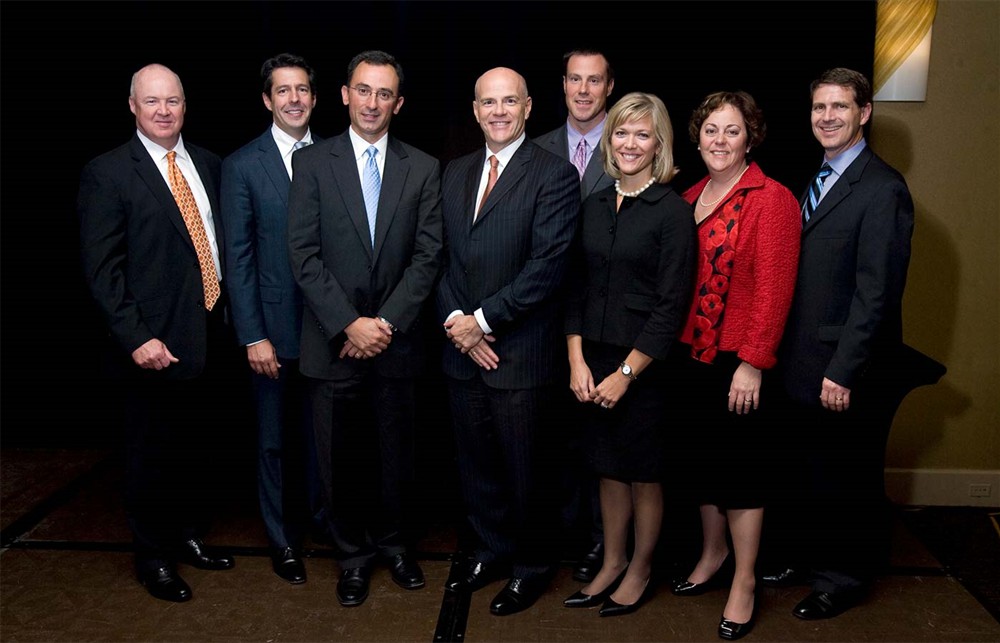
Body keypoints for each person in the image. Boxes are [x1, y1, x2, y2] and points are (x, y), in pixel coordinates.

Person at [287, 50, 443, 608]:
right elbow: (302, 255)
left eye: (384, 94)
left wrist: (385, 324)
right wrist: (349, 324)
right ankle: (352, 558)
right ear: (345, 95)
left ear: (397, 103)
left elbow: (428, 257)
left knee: (397, 454)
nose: (372, 102)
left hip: (396, 344)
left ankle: (395, 547)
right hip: (333, 344)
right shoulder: (311, 164)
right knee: (340, 459)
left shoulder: (423, 167)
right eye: (363, 90)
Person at [78, 63, 237, 602]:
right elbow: (103, 270)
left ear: (185, 106)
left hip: (210, 331)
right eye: (152, 102)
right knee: (150, 453)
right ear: (132, 107)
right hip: (152, 343)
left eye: (172, 101)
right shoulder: (108, 172)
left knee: (196, 447)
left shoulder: (212, 165)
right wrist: (135, 337)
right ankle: (153, 558)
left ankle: (188, 536)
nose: (164, 110)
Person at [766, 67, 915, 620]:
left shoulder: (882, 188)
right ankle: (805, 560)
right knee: (807, 470)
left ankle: (842, 579)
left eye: (840, 107)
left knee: (843, 476)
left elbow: (877, 293)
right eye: (819, 108)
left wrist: (846, 368)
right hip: (798, 360)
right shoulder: (818, 177)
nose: (827, 117)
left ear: (864, 113)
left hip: (838, 365)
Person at [437, 67, 580, 616]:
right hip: (463, 351)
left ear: (527, 108)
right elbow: (440, 258)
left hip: (520, 354)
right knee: (477, 467)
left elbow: (547, 269)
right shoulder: (454, 172)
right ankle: (492, 550)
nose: (498, 111)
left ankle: (530, 566)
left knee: (528, 472)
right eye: (488, 102)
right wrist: (460, 324)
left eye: (509, 102)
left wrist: (483, 321)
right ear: (475, 110)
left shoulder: (554, 174)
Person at [667, 91, 800, 640]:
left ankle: (745, 579)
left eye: (732, 131)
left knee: (742, 472)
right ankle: (713, 553)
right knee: (701, 463)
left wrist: (753, 362)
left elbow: (774, 289)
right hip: (688, 354)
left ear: (751, 138)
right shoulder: (688, 195)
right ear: (696, 138)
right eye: (711, 130)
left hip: (737, 360)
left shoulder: (772, 199)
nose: (720, 141)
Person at [562, 91, 696, 617]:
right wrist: (576, 359)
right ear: (609, 140)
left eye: (643, 134)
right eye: (622, 132)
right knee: (606, 468)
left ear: (658, 142)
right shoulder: (592, 203)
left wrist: (625, 373)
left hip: (644, 369)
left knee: (643, 472)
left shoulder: (673, 211)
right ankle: (611, 562)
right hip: (590, 361)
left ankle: (640, 568)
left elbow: (671, 307)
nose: (631, 143)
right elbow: (573, 286)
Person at [220, 53, 326, 585]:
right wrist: (252, 334)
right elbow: (236, 258)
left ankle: (321, 522)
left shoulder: (333, 156)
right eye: (283, 91)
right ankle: (282, 539)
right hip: (272, 332)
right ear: (267, 99)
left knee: (321, 436)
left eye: (302, 89)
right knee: (274, 440)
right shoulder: (243, 165)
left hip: (329, 330)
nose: (294, 99)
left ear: (315, 96)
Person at [533, 48, 615, 583]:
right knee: (551, 437)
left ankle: (601, 541)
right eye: (575, 80)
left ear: (609, 87)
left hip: (608, 321)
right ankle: (557, 535)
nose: (583, 90)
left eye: (595, 81)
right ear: (563, 85)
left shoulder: (634, 143)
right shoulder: (534, 149)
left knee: (603, 442)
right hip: (541, 320)